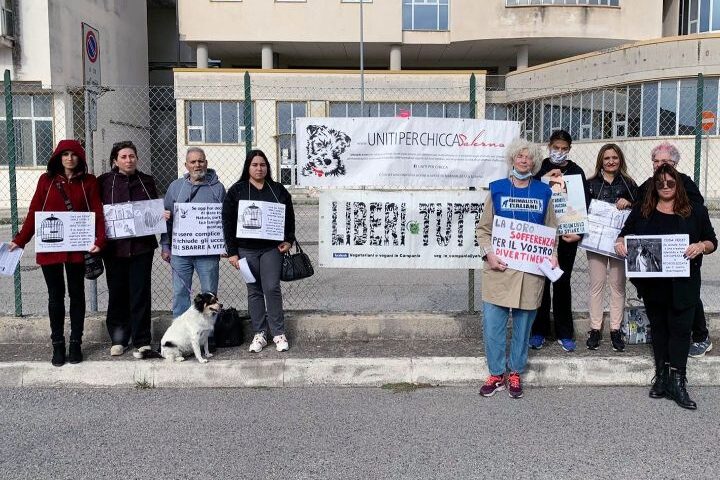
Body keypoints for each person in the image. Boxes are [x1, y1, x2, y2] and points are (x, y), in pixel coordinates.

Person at [616, 164, 716, 410]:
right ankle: (661, 376)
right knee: (659, 329)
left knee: (681, 331)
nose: (665, 187)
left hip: (684, 284)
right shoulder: (643, 210)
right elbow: (625, 234)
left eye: (670, 183)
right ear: (654, 186)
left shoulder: (695, 211)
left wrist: (701, 246)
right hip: (653, 285)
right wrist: (620, 242)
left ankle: (678, 381)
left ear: (678, 184)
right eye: (660, 183)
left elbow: (712, 241)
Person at [8, 140, 105, 366]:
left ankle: (75, 343)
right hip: (51, 248)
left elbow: (97, 212)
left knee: (77, 295)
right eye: (65, 154)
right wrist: (20, 240)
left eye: (74, 155)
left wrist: (100, 240)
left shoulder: (88, 182)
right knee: (55, 296)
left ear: (80, 157)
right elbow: (34, 211)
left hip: (77, 248)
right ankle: (58, 344)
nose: (69, 158)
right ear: (58, 158)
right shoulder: (46, 180)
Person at [476, 138, 558, 399]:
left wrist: (552, 254)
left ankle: (515, 372)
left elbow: (551, 230)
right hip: (500, 268)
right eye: (519, 156)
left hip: (529, 271)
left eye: (528, 157)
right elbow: (483, 229)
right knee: (493, 325)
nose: (523, 160)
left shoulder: (544, 192)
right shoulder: (498, 190)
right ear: (512, 159)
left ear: (534, 162)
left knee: (523, 327)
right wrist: (489, 254)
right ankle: (496, 373)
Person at [638, 142, 712, 358]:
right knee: (662, 297)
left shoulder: (685, 183)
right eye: (656, 161)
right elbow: (638, 209)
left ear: (675, 164)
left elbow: (698, 212)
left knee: (688, 295)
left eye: (666, 161)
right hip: (656, 253)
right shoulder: (648, 185)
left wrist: (696, 244)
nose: (660, 165)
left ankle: (700, 336)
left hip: (682, 252)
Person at [222, 150, 295, 353]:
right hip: (246, 251)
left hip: (271, 249)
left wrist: (288, 239)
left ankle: (278, 333)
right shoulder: (236, 191)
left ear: (267, 167)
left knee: (271, 288)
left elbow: (289, 216)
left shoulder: (277, 189)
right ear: (248, 167)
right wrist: (232, 252)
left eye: (262, 164)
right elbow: (227, 222)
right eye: (254, 164)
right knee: (254, 291)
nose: (259, 168)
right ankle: (260, 333)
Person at [98, 141, 167, 359]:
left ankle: (142, 340)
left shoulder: (146, 181)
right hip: (114, 249)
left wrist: (160, 216)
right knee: (117, 293)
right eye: (124, 157)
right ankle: (119, 339)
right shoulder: (104, 182)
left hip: (141, 248)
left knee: (140, 294)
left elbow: (153, 210)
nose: (129, 160)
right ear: (115, 160)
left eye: (132, 156)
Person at [529, 129, 589, 352]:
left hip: (567, 236)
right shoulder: (539, 169)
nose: (560, 152)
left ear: (570, 149)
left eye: (564, 149)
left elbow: (584, 203)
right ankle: (538, 331)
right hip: (542, 235)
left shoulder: (576, 171)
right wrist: (546, 179)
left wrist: (579, 233)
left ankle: (565, 332)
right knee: (541, 282)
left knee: (562, 282)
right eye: (556, 148)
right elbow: (531, 196)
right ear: (549, 147)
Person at [161, 147, 226, 318]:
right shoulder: (175, 187)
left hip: (208, 252)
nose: (197, 165)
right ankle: (180, 334)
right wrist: (165, 246)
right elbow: (166, 220)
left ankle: (208, 337)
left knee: (210, 293)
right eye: (193, 162)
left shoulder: (218, 188)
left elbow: (225, 219)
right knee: (180, 293)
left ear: (206, 163)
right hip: (181, 252)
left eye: (200, 161)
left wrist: (224, 244)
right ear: (186, 165)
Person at [585, 144, 637, 352]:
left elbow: (640, 208)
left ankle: (615, 329)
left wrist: (630, 202)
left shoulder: (629, 183)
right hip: (595, 243)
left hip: (619, 243)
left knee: (617, 285)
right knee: (596, 285)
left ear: (620, 159)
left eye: (615, 157)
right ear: (601, 160)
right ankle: (595, 328)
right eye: (607, 158)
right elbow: (579, 208)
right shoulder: (590, 184)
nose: (611, 161)